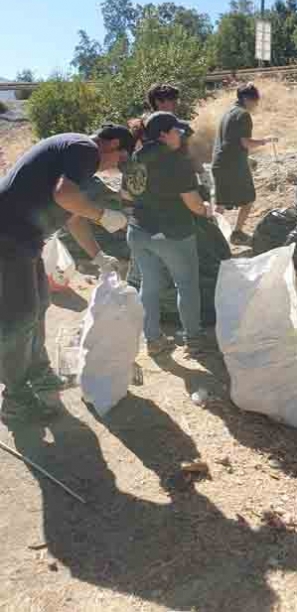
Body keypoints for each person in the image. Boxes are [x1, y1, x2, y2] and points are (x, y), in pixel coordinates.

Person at [0, 125, 134, 424]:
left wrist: (97, 256)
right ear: (111, 144)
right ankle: (15, 399)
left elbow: (73, 215)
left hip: (23, 240)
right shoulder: (84, 148)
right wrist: (103, 214)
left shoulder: (73, 156)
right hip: (8, 238)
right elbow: (65, 195)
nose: (115, 167)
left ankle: (37, 373)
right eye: (120, 159)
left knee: (39, 306)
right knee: (19, 317)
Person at [123, 112, 211, 358]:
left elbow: (127, 196)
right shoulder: (177, 162)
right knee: (186, 285)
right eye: (177, 132)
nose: (181, 136)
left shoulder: (136, 157)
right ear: (164, 134)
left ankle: (153, 340)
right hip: (173, 233)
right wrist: (208, 211)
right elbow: (193, 203)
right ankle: (193, 341)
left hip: (139, 232)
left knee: (149, 286)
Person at [211, 83, 276, 245]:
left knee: (220, 204)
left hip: (220, 163)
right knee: (248, 200)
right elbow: (245, 142)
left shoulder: (228, 113)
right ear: (247, 99)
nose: (256, 105)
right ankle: (237, 233)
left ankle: (211, 238)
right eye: (255, 101)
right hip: (233, 166)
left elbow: (229, 141)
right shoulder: (243, 115)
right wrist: (265, 141)